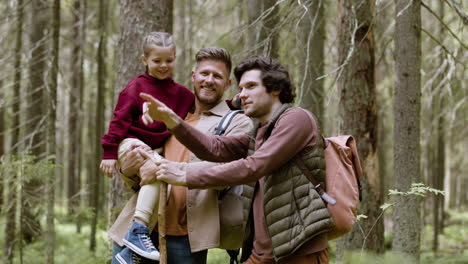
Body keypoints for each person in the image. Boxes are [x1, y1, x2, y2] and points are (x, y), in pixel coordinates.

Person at [139, 56, 334, 264]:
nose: (242, 95)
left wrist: (183, 174)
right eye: (241, 88)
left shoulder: (296, 119)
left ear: (275, 89)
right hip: (262, 252)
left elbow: (254, 166)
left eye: (250, 86)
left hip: (298, 249)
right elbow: (214, 148)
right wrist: (172, 120)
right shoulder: (260, 133)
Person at [109, 47, 253, 264]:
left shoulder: (238, 122)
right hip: (138, 230)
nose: (209, 80)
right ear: (193, 76)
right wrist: (130, 169)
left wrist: (165, 169)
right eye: (204, 73)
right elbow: (138, 178)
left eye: (217, 76)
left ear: (227, 84)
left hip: (187, 239)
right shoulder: (172, 114)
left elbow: (225, 173)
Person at [100, 32, 195, 261]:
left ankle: (131, 249)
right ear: (145, 60)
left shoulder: (183, 94)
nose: (163, 66)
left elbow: (204, 105)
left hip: (154, 154)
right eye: (157, 61)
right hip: (130, 145)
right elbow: (119, 120)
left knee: (163, 175)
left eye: (169, 60)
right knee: (157, 165)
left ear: (175, 58)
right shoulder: (135, 87)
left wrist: (234, 103)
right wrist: (110, 152)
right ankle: (138, 230)